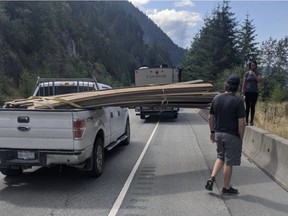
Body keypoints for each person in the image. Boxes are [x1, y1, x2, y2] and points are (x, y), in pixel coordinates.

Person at [205, 75, 246, 195]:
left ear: (227, 85)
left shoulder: (216, 98)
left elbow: (210, 117)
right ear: (237, 87)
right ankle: (226, 187)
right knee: (229, 162)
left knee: (220, 157)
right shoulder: (238, 101)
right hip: (232, 135)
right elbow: (242, 122)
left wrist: (212, 132)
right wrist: (241, 136)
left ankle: (212, 177)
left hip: (218, 134)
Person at [241, 60, 261, 126]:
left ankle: (251, 121)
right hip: (247, 91)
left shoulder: (258, 73)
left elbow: (259, 81)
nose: (253, 66)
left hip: (254, 92)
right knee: (247, 106)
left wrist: (254, 74)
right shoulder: (247, 73)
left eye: (254, 65)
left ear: (256, 66)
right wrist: (242, 92)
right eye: (252, 65)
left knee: (253, 106)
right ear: (250, 66)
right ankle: (246, 120)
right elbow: (244, 83)